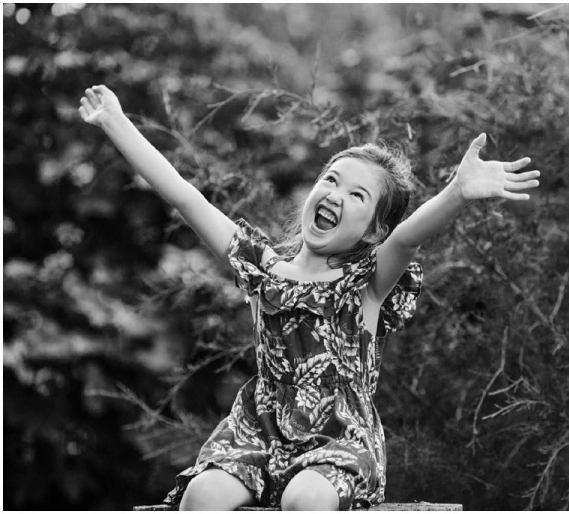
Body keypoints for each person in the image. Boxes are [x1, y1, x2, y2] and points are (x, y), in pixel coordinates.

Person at [79, 85, 540, 511]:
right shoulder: (262, 268)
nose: (335, 194)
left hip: (338, 440)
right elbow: (184, 195)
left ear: (373, 229)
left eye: (357, 194)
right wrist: (115, 122)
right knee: (202, 494)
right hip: (259, 434)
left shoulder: (367, 281)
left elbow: (407, 237)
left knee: (305, 497)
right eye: (332, 180)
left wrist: (457, 193)